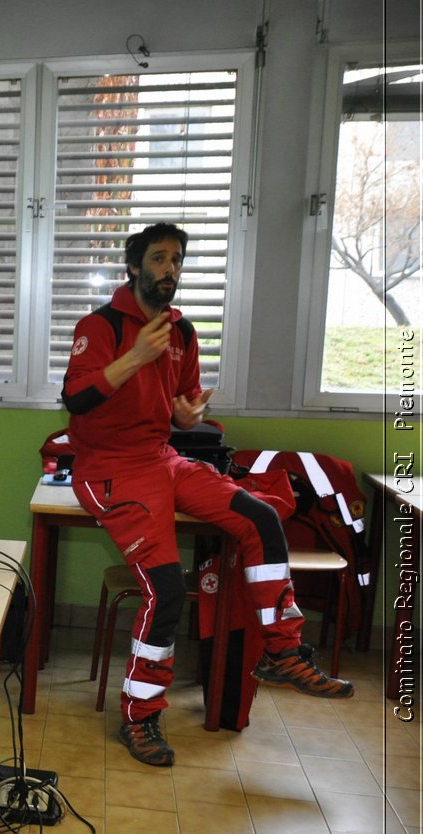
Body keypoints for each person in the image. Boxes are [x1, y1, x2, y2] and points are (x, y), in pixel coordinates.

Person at [62, 222, 354, 768]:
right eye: (158, 259)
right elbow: (76, 399)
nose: (169, 269)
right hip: (108, 470)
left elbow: (179, 405)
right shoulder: (100, 326)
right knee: (166, 590)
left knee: (261, 518)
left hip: (162, 459)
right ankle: (141, 716)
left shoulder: (183, 334)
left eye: (176, 260)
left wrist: (186, 415)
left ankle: (282, 651)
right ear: (134, 268)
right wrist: (134, 359)